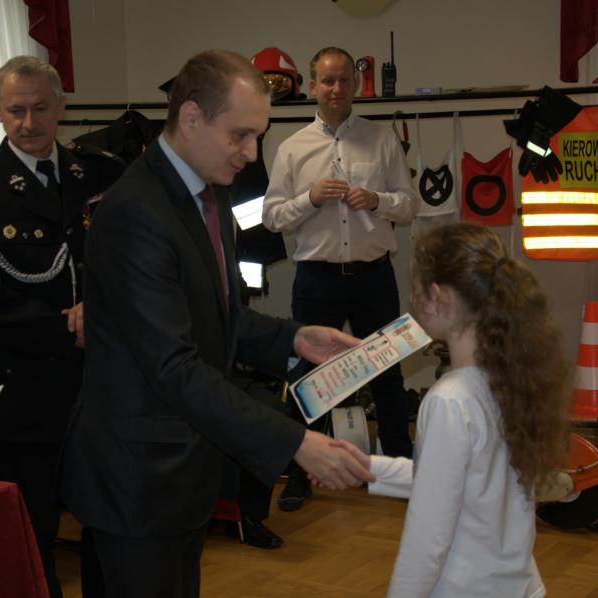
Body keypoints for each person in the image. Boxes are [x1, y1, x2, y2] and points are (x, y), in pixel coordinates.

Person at [59, 49, 374, 598]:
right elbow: (174, 366)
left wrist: (296, 338)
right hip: (137, 479)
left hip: (180, 473)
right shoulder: (137, 211)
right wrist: (295, 442)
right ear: (190, 118)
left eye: (258, 136)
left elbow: (218, 317)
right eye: (240, 135)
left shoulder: (208, 193)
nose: (251, 154)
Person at [0, 55, 123, 598]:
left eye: (40, 108)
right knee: (35, 532)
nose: (28, 123)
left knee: (110, 521)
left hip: (104, 382)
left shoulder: (103, 173)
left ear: (61, 107)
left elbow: (133, 260)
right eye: (15, 110)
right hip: (26, 389)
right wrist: (67, 328)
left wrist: (101, 311)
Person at [333, 222, 570, 597]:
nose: (411, 300)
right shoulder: (509, 380)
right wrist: (367, 468)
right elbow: (460, 480)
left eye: (414, 287)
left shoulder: (448, 400)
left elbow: (427, 542)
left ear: (437, 297)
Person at [262, 46, 417, 511]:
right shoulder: (291, 147)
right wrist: (309, 198)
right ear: (312, 86)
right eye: (327, 80)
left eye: (344, 80)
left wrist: (377, 200)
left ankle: (401, 470)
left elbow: (409, 206)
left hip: (374, 277)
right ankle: (300, 474)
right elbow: (271, 217)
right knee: (309, 380)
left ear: (355, 85)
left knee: (388, 376)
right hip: (317, 280)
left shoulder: (382, 138)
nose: (336, 88)